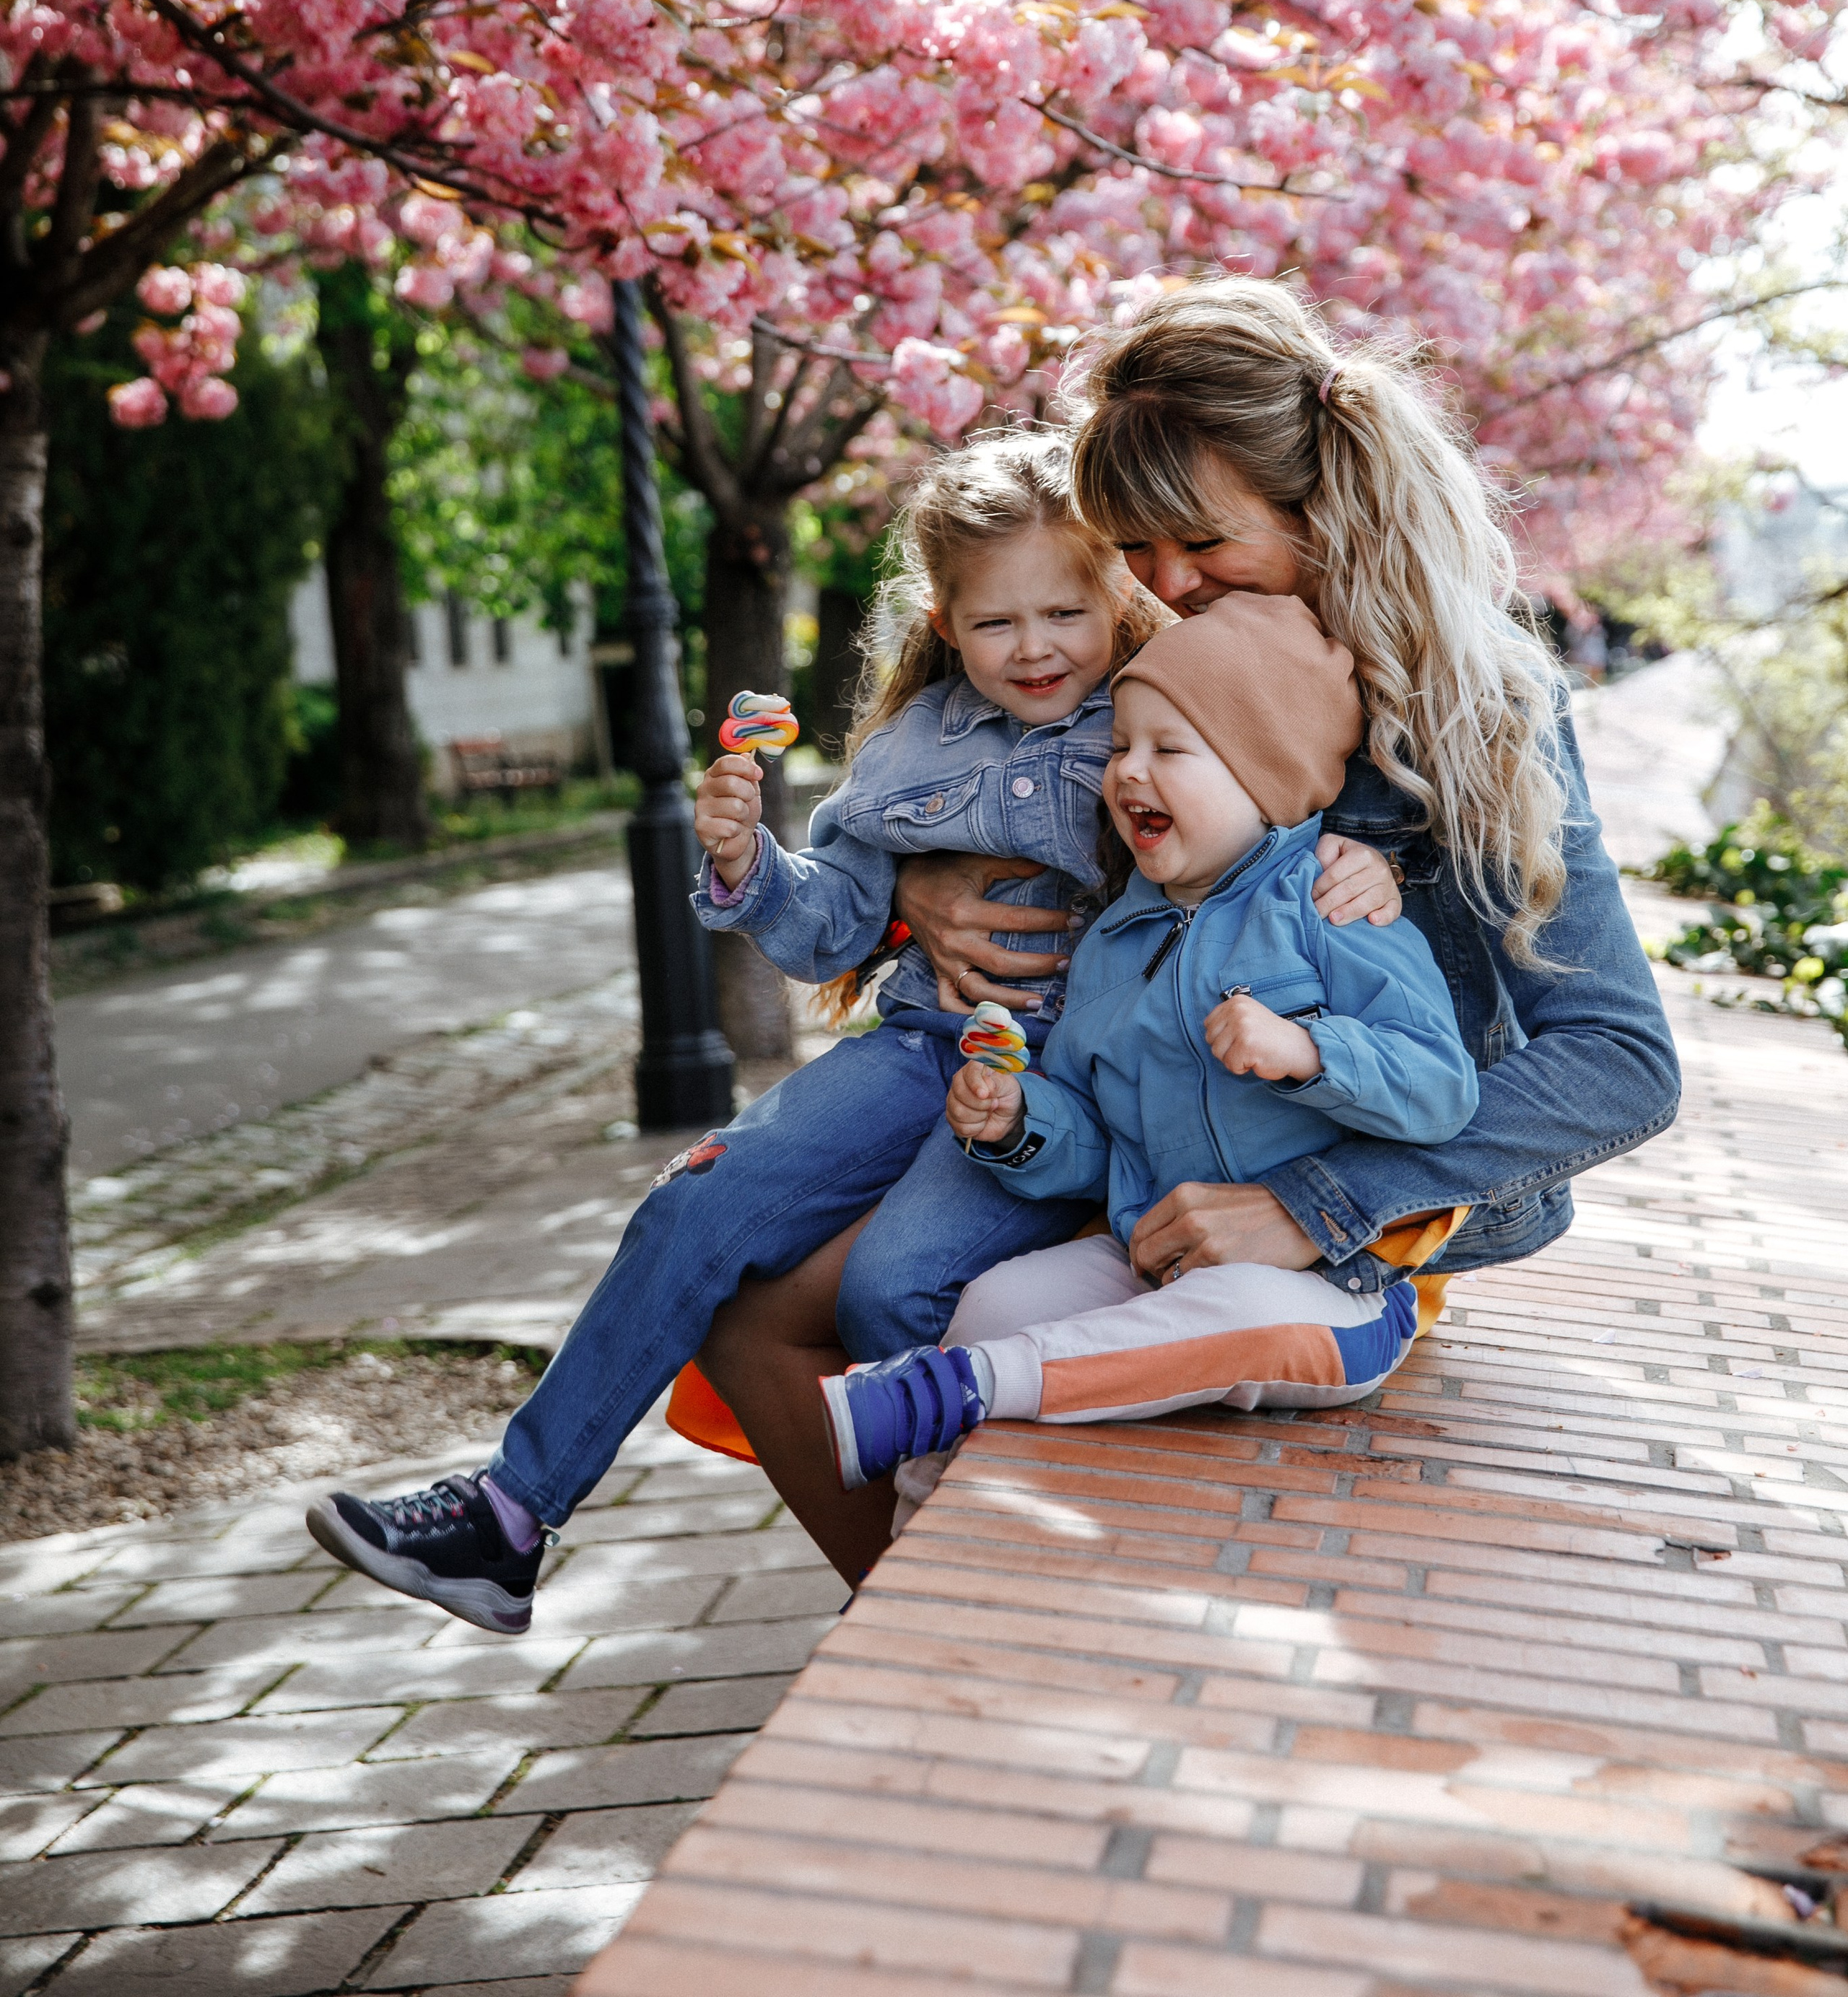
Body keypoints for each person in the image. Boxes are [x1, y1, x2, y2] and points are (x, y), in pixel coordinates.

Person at [304, 427, 1403, 1627]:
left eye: (1063, 614)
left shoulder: (1164, 705)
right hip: (920, 1047)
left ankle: (950, 1586)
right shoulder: (910, 747)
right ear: (944, 619)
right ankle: (509, 1518)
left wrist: (1358, 863)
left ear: (1118, 596)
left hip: (1064, 1091)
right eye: (996, 623)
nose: (1034, 647)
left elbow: (1282, 794)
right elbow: (833, 927)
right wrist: (752, 865)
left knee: (894, 1292)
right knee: (689, 1203)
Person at [697, 279, 1680, 1571]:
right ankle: (912, 1622)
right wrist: (914, 903)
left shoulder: (1472, 706)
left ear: (1323, 505)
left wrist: (1316, 1203)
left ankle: (952, 1616)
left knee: (859, 1312)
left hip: (1348, 1203)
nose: (1165, 584)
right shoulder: (1152, 647)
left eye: (1201, 542)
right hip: (1104, 1123)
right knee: (744, 1304)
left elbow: (1621, 1060)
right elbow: (1014, 822)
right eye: (1136, 550)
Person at [819, 592, 1478, 1488]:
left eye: (1169, 750)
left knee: (1244, 1314)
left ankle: (970, 1387)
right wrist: (1019, 1123)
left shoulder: (1333, 905)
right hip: (1154, 1259)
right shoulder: (1112, 943)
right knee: (995, 1302)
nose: (1128, 771)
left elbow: (1442, 1087)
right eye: (1120, 746)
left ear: (1264, 775)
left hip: (1334, 1285)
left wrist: (1310, 1053)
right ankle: (924, 1524)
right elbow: (1099, 1138)